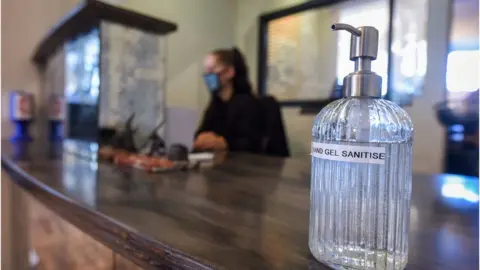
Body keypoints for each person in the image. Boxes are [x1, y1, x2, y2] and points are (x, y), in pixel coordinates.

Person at [193, 48, 263, 153]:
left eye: (211, 70)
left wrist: (223, 144)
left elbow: (250, 144)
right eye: (206, 71)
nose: (207, 76)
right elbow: (201, 134)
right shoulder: (215, 104)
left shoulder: (247, 104)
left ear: (229, 72)